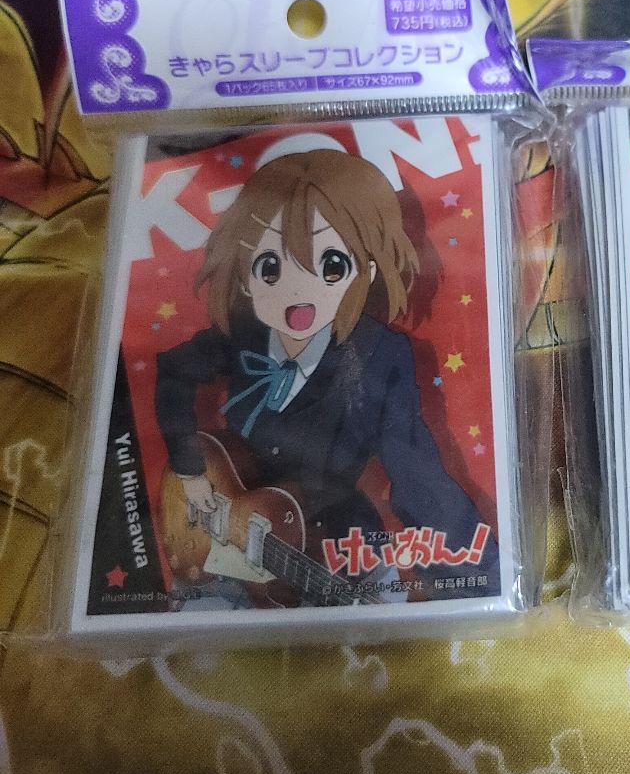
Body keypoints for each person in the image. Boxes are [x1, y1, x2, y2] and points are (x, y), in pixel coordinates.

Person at [155, 148, 497, 600]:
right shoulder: (243, 333)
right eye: (270, 267)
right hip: (227, 531)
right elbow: (173, 371)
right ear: (242, 276)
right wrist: (191, 470)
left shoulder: (380, 354)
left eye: (331, 266)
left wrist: (482, 581)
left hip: (334, 541)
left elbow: (417, 473)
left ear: (366, 271)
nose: (298, 289)